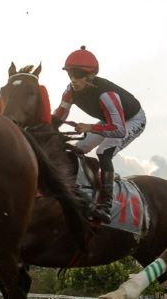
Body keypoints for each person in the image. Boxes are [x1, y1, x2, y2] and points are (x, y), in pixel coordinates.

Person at [52, 46, 146, 222]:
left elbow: (119, 129)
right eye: (70, 74)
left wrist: (90, 127)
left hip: (131, 120)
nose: (73, 79)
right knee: (77, 149)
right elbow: (60, 115)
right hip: (110, 119)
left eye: (78, 74)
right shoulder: (69, 91)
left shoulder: (106, 95)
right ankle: (80, 188)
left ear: (90, 75)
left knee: (104, 151)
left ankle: (107, 205)